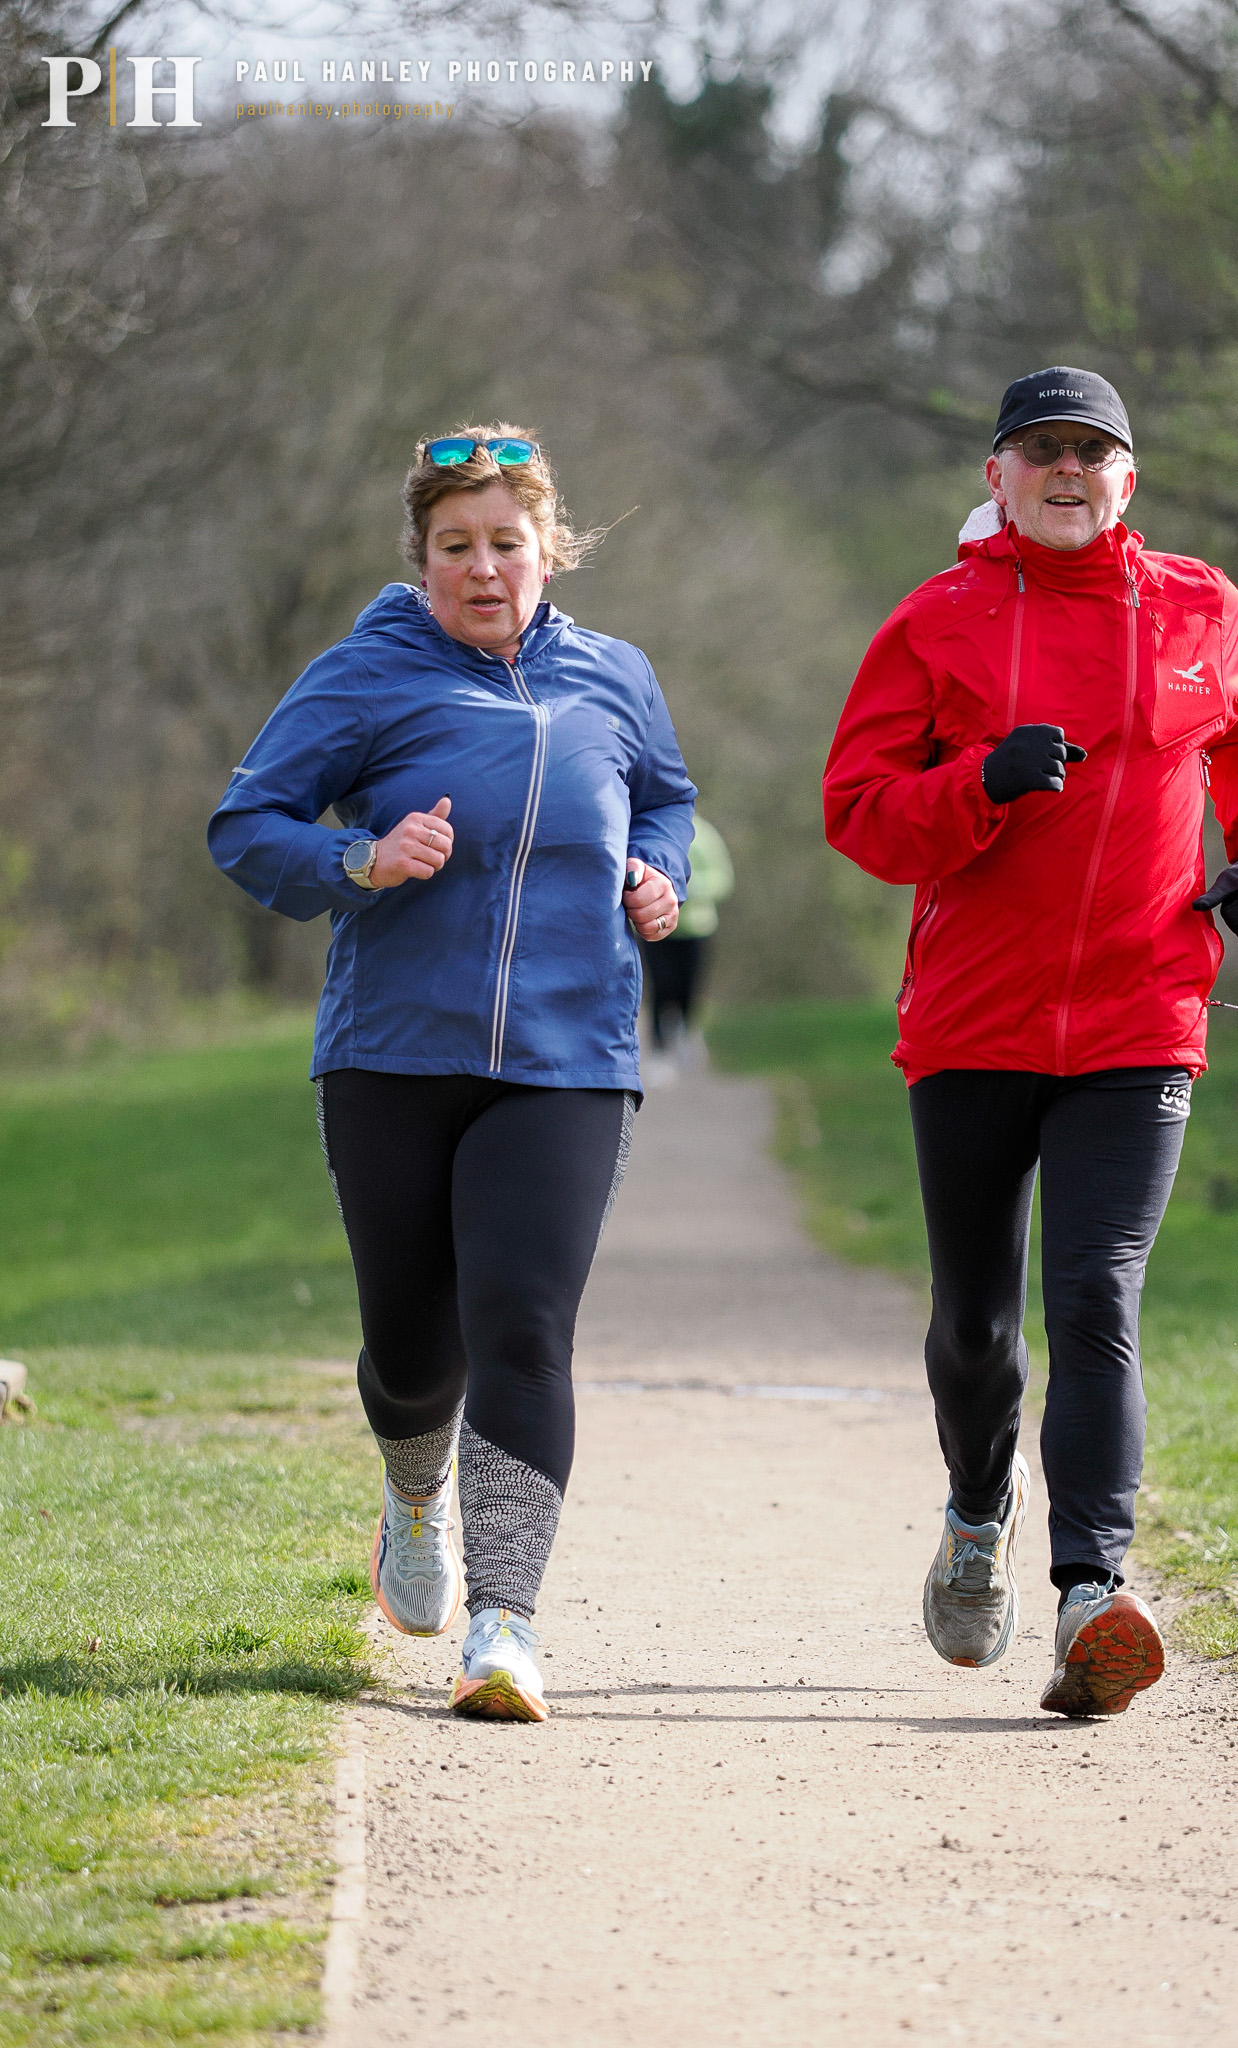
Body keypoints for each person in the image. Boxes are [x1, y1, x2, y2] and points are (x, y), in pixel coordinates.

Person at [823, 367, 1238, 1717]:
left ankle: (1092, 1592)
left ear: (1127, 479)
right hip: (975, 1017)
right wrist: (975, 782)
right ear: (997, 477)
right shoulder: (937, 622)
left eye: (1093, 452)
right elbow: (858, 810)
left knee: (1097, 1292)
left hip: (1139, 1007)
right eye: (1042, 449)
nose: (1068, 470)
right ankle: (979, 1509)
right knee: (978, 1332)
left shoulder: (1200, 608)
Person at [209, 424, 695, 1722]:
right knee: (415, 1353)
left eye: (506, 544)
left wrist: (663, 873)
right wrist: (357, 862)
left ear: (552, 549)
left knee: (525, 1327)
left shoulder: (616, 677)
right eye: (455, 547)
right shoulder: (365, 675)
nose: (484, 569)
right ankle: (413, 1489)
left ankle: (504, 1626)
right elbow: (245, 823)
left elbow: (667, 797)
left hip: (572, 1054)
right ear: (421, 557)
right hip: (393, 1054)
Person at [644, 814, 734, 1076]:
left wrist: (687, 888)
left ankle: (684, 1038)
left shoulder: (704, 834)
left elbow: (723, 878)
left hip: (696, 928)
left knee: (689, 988)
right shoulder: (653, 830)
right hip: (656, 926)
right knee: (661, 986)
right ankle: (660, 1049)